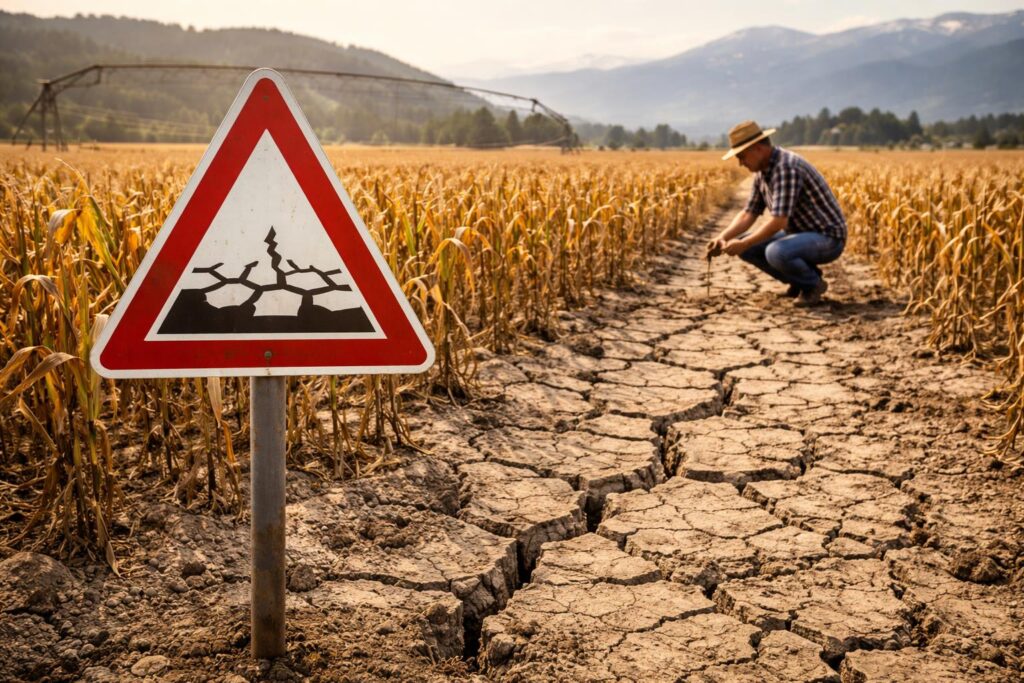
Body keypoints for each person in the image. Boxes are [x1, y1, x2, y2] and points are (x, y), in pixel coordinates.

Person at [707, 120, 846, 306]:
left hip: (827, 237)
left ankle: (812, 285)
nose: (741, 163)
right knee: (750, 248)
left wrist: (743, 242)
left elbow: (778, 222)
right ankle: (799, 281)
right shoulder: (762, 173)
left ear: (758, 148)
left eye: (742, 156)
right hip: (800, 234)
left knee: (776, 252)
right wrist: (722, 237)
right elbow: (749, 213)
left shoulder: (785, 168)